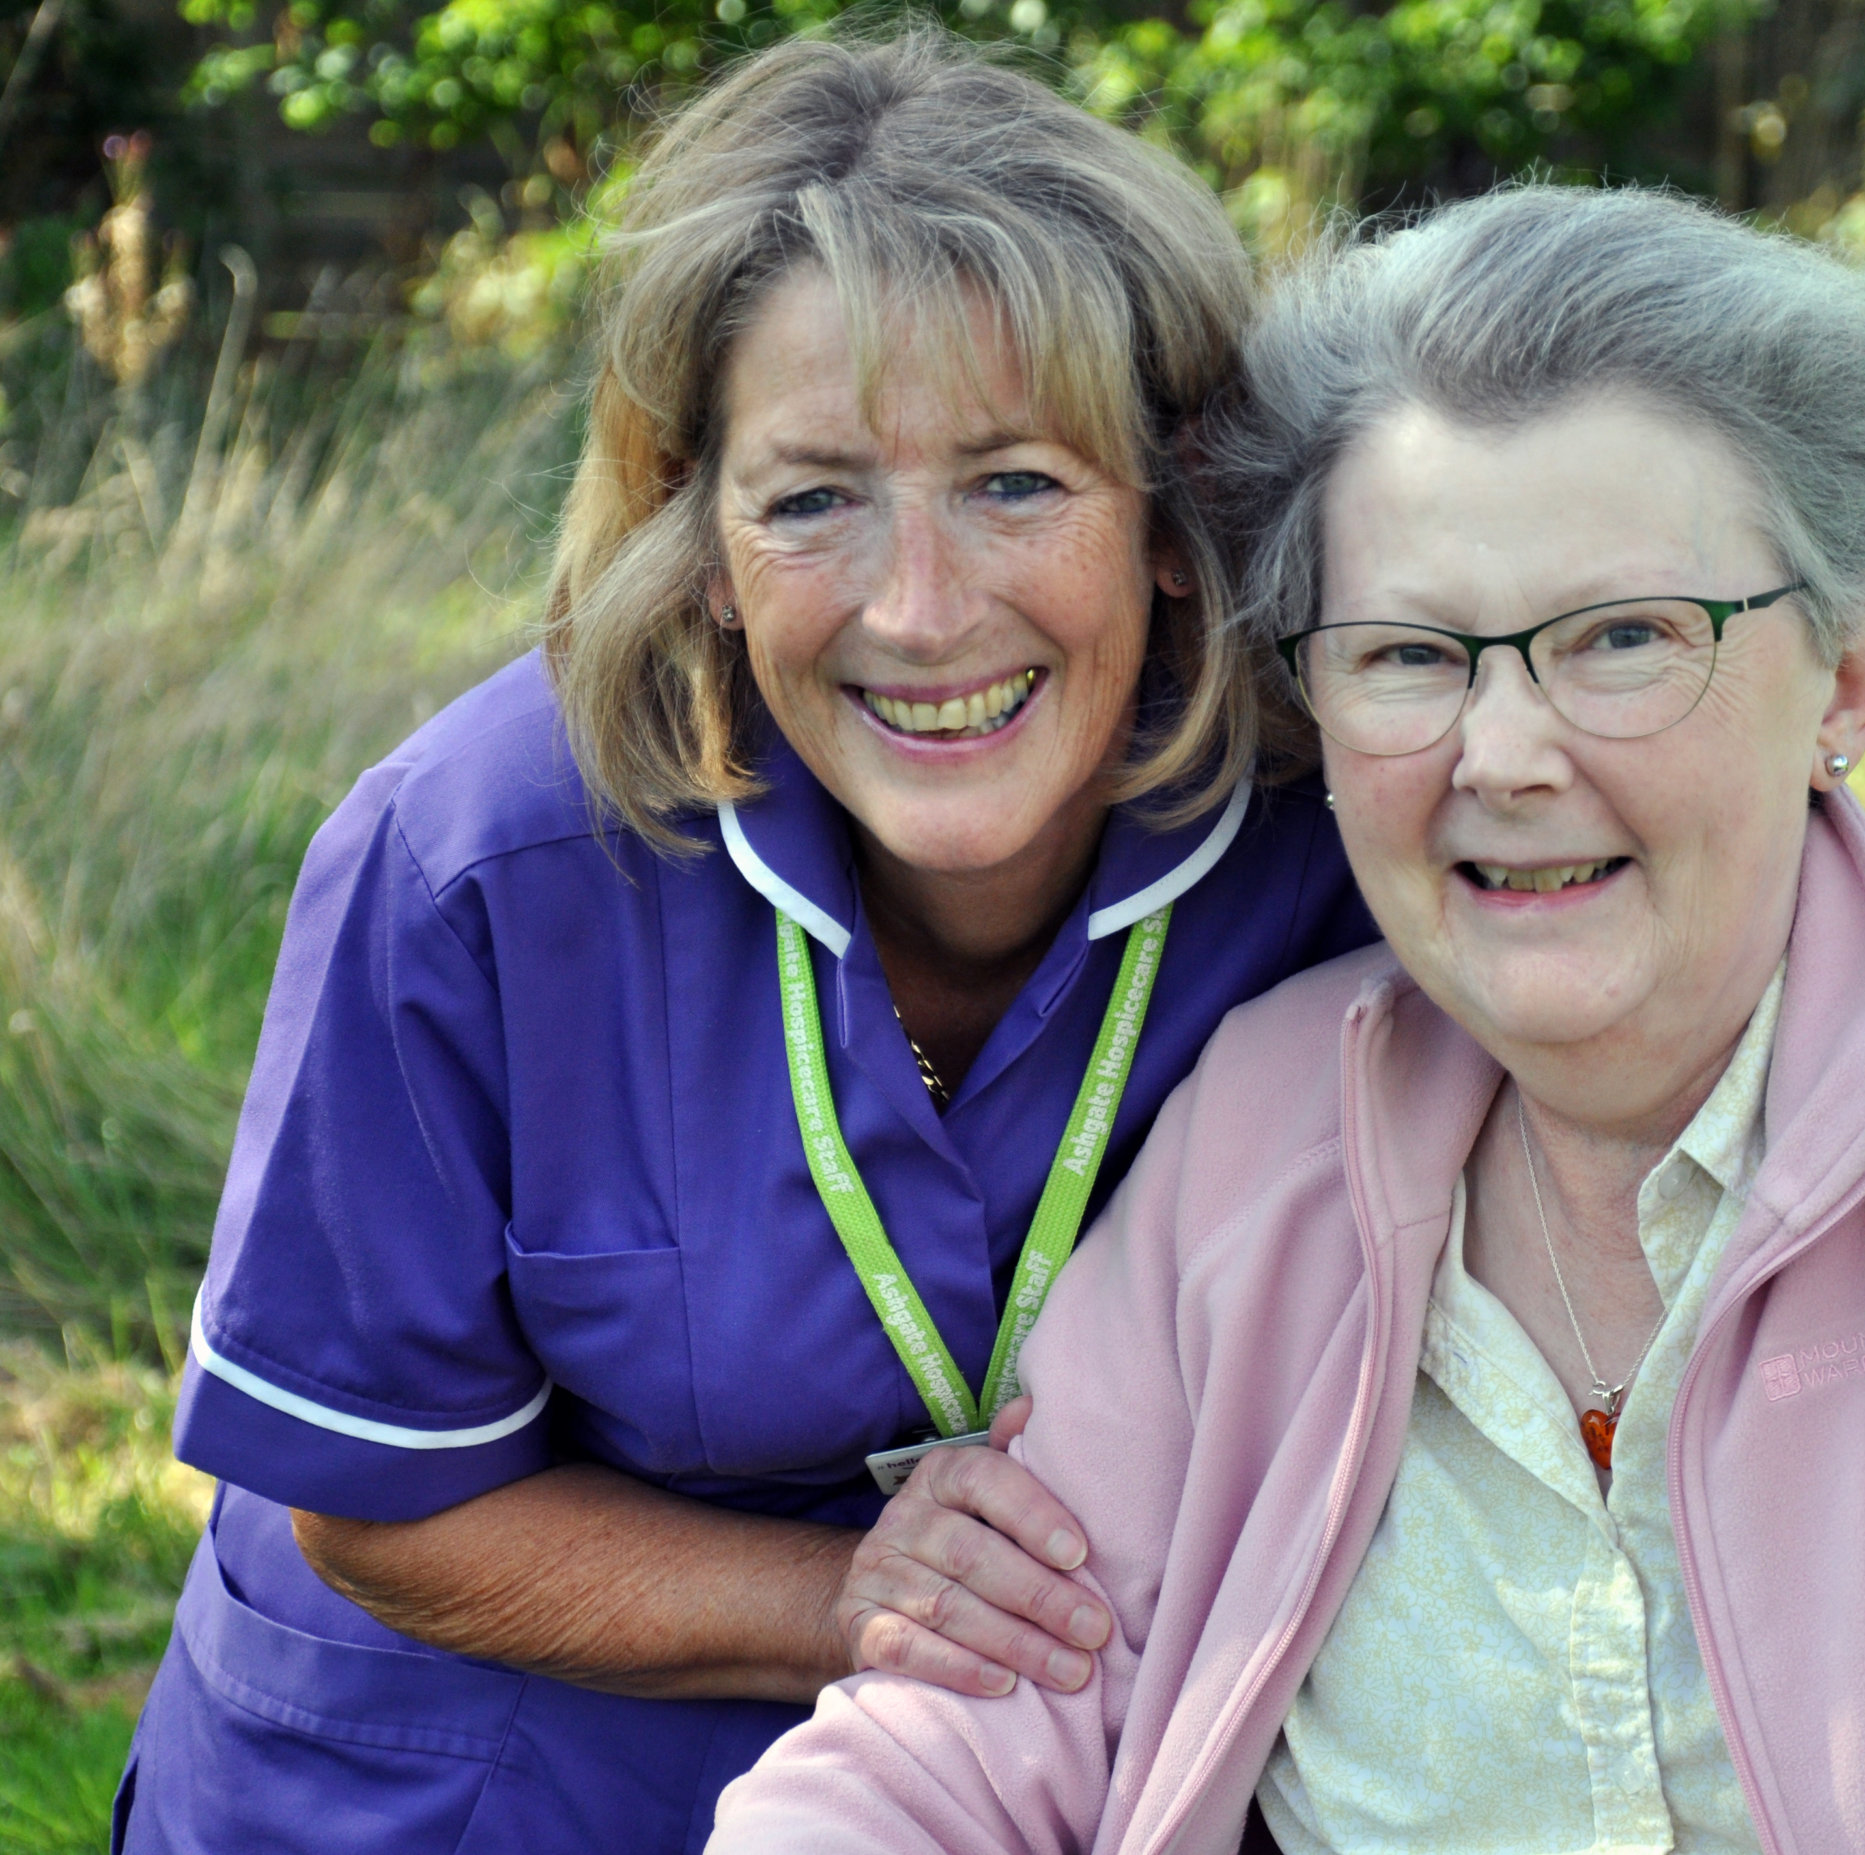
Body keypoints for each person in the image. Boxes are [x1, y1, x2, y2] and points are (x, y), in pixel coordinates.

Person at [709, 184, 1865, 1853]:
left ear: (1847, 672)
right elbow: (955, 1747)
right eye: (1414, 657)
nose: (1507, 757)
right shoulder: (1262, 1125)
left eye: (1624, 640)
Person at [115, 31, 1373, 1855]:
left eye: (1018, 481)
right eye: (813, 499)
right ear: (698, 537)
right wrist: (845, 1596)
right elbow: (371, 1508)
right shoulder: (475, 865)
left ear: (1176, 514)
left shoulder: (1327, 838)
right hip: (460, 1782)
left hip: (1008, 1776)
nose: (920, 610)